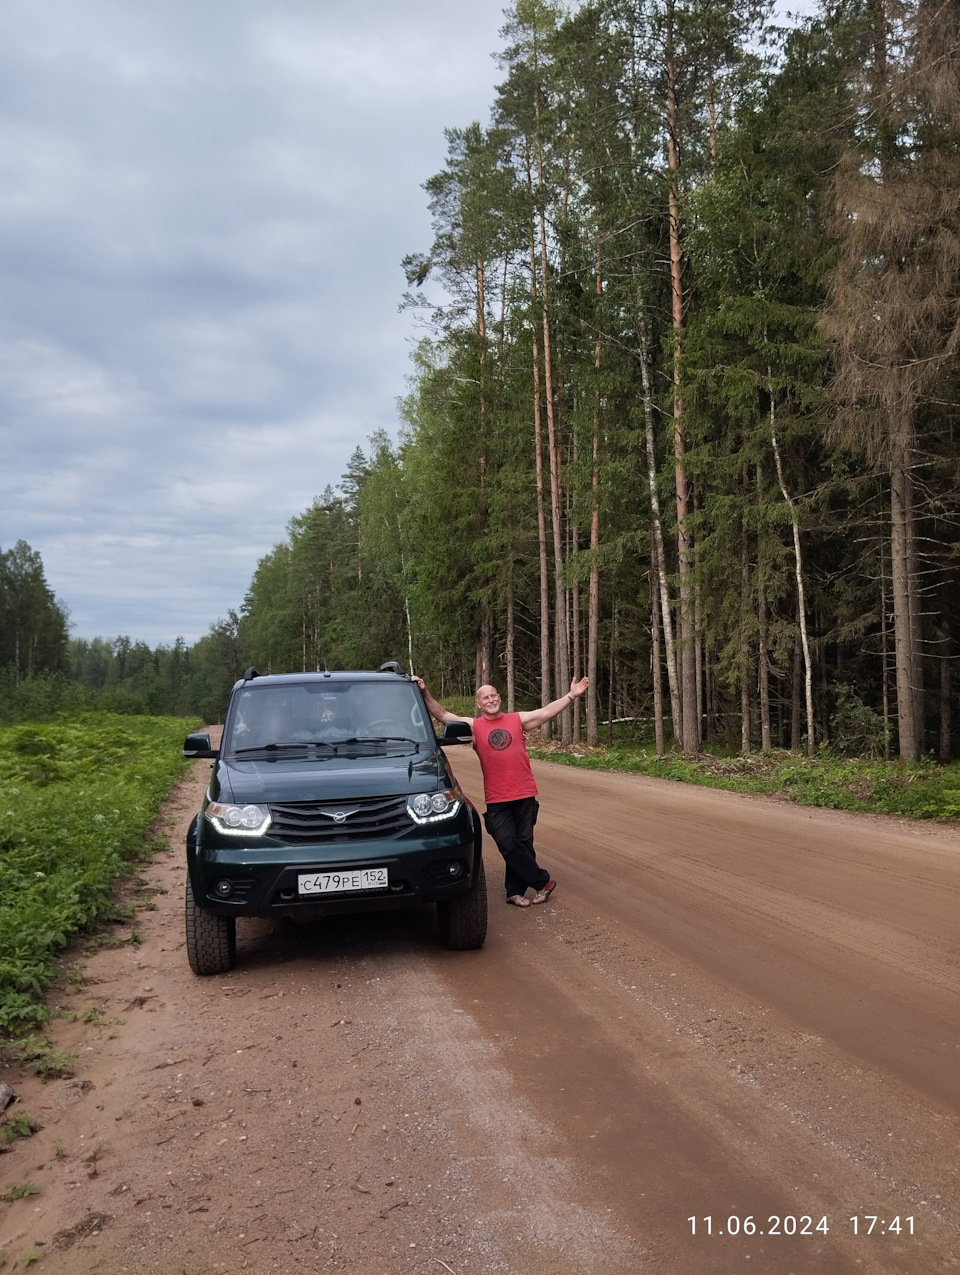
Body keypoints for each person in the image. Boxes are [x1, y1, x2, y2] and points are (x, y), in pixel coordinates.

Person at [413, 675, 589, 908]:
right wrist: (425, 692)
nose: (491, 699)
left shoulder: (517, 719)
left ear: (500, 698)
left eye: (494, 695)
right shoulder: (475, 726)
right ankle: (542, 881)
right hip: (497, 797)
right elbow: (444, 716)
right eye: (485, 697)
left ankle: (514, 891)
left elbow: (546, 711)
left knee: (523, 844)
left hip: (525, 792)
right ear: (479, 703)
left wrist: (571, 695)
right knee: (507, 842)